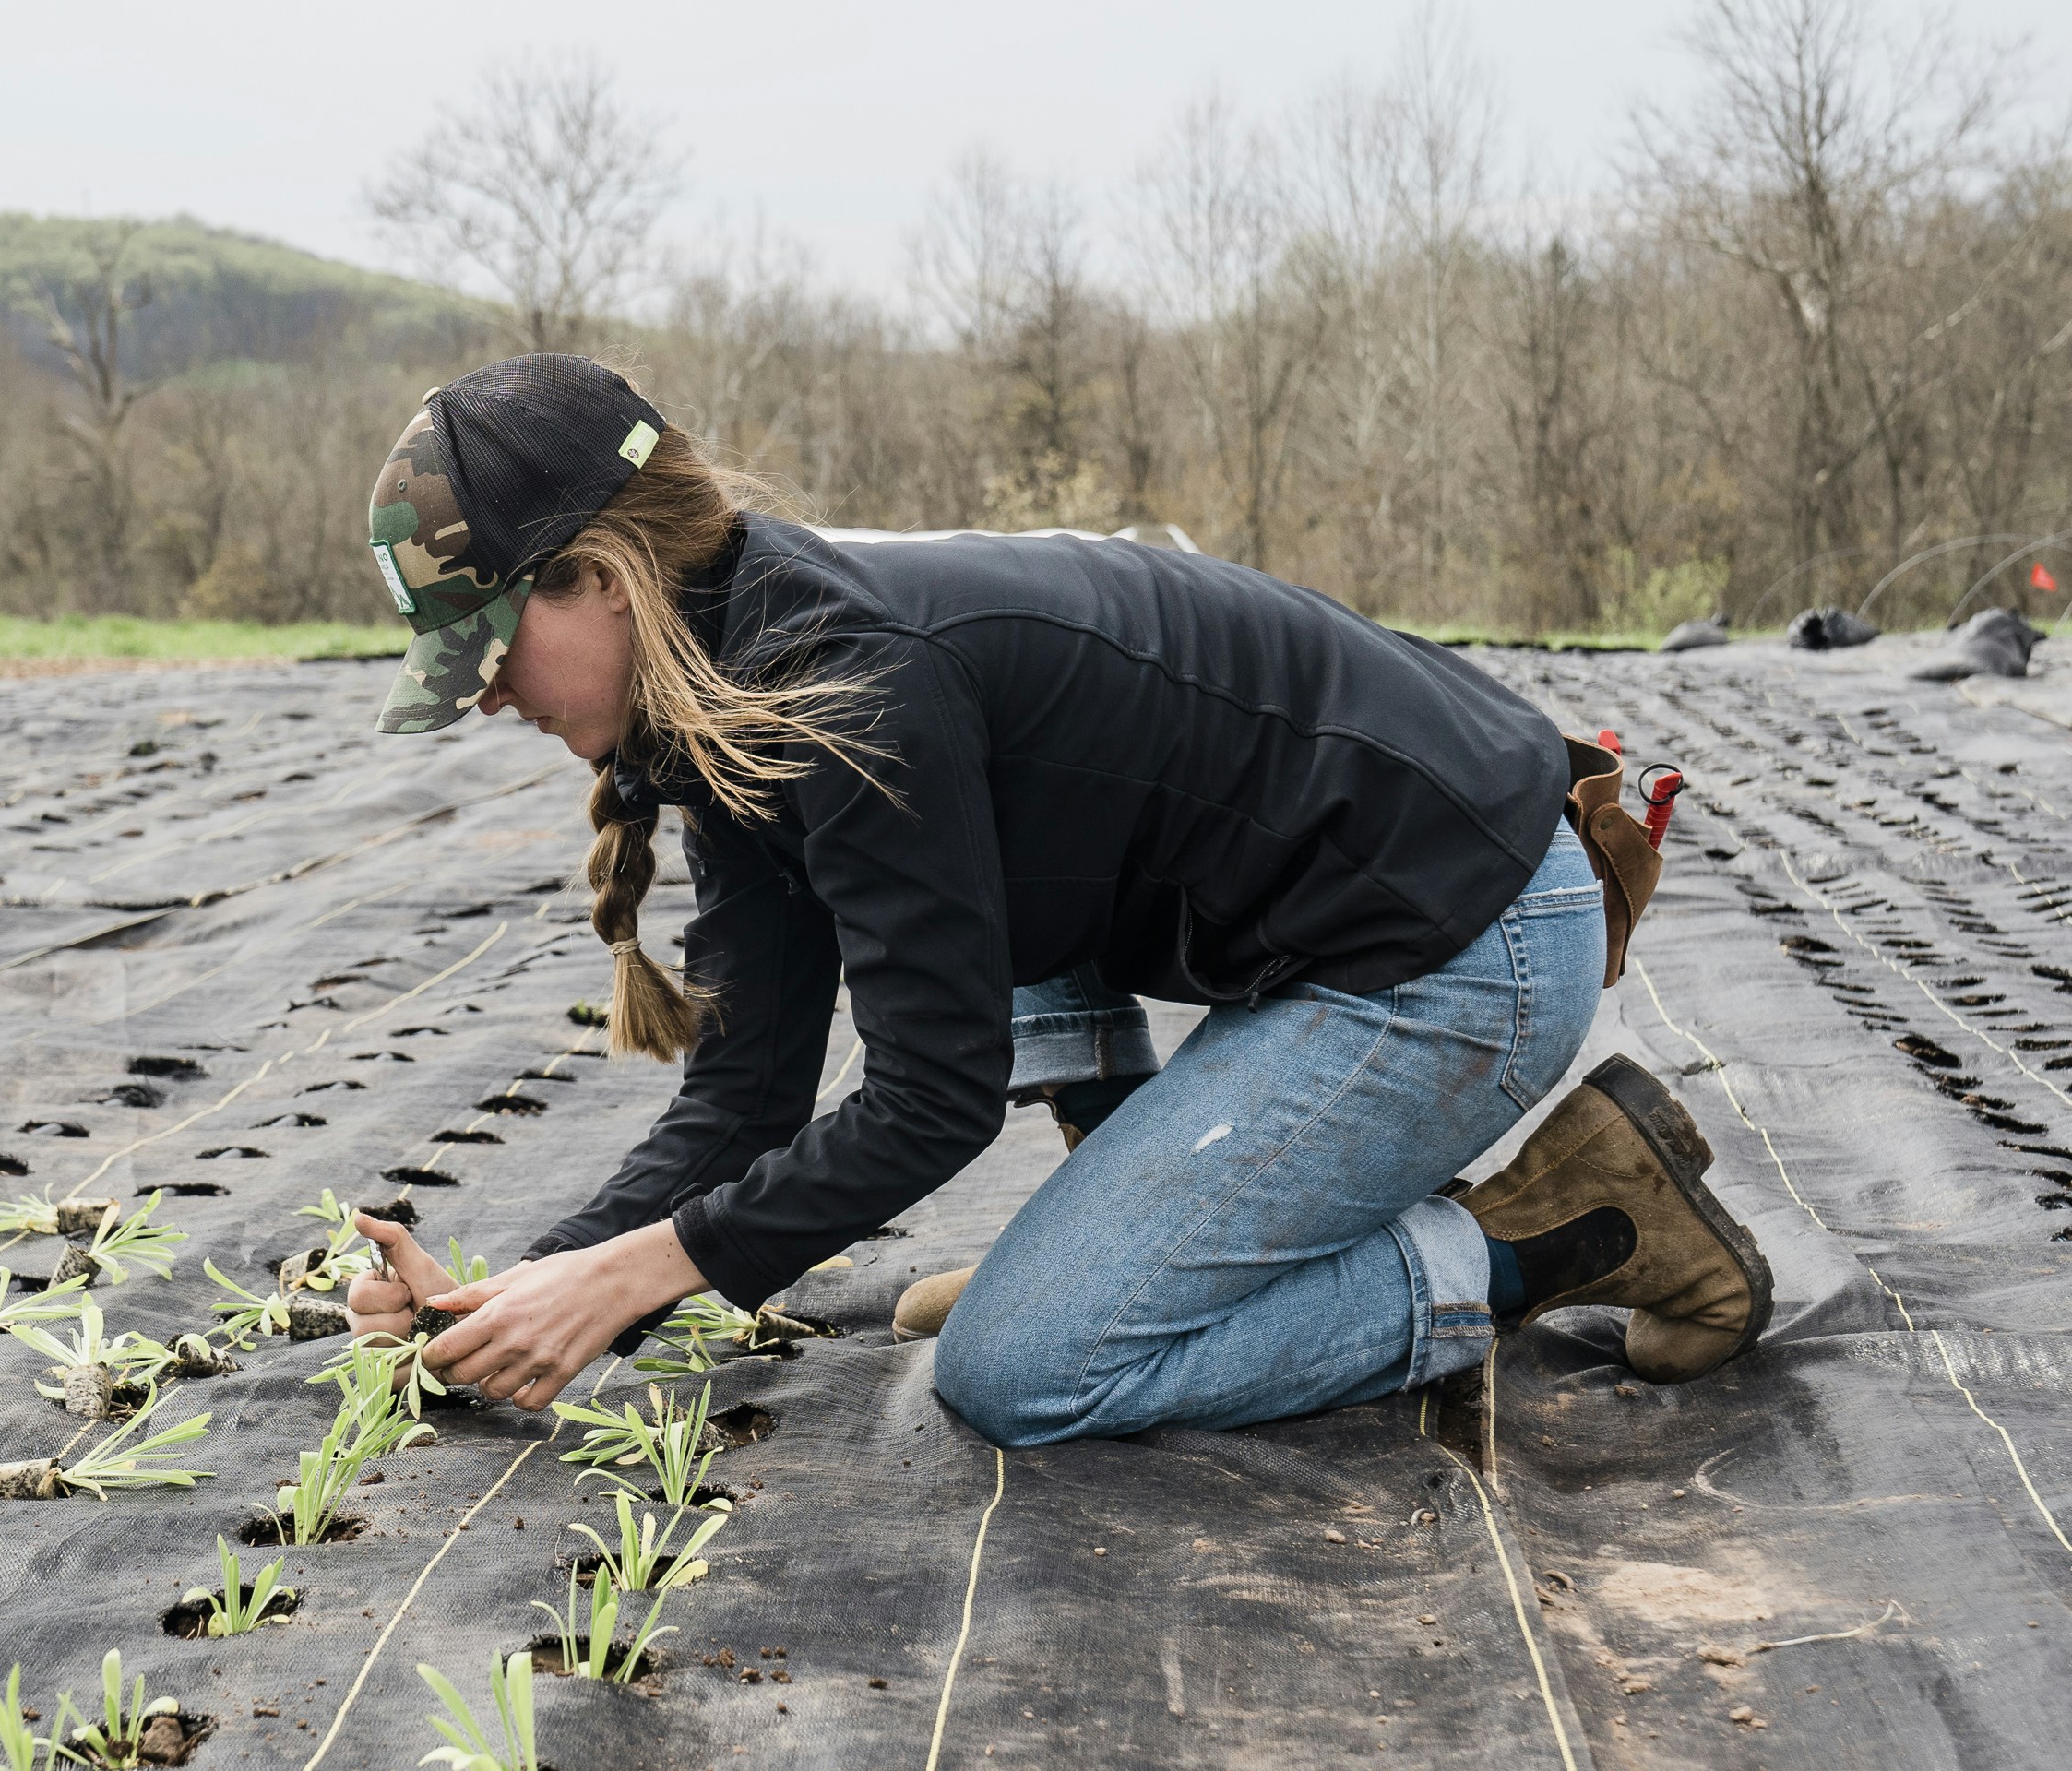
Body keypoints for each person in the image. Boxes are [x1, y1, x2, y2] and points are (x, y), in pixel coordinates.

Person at [341, 352, 1772, 1443]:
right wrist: (513, 1299)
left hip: (1464, 942)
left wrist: (629, 1276)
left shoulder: (846, 683)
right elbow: (747, 1096)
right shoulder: (718, 692)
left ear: (598, 577)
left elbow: (930, 1097)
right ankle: (1124, 1242)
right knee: (990, 989)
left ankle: (1566, 1228)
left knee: (1027, 1369)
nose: (482, 703)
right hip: (1345, 914)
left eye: (490, 653)